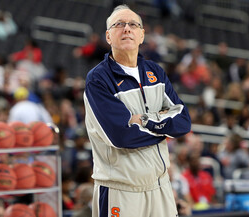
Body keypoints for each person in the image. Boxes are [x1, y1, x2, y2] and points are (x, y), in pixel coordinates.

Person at [83, 4, 191, 217]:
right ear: (108, 36)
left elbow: (184, 121)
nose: (126, 29)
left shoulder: (155, 72)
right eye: (119, 24)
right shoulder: (98, 79)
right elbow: (120, 136)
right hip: (120, 190)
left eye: (133, 24)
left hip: (161, 186)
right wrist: (162, 124)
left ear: (142, 35)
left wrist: (143, 120)